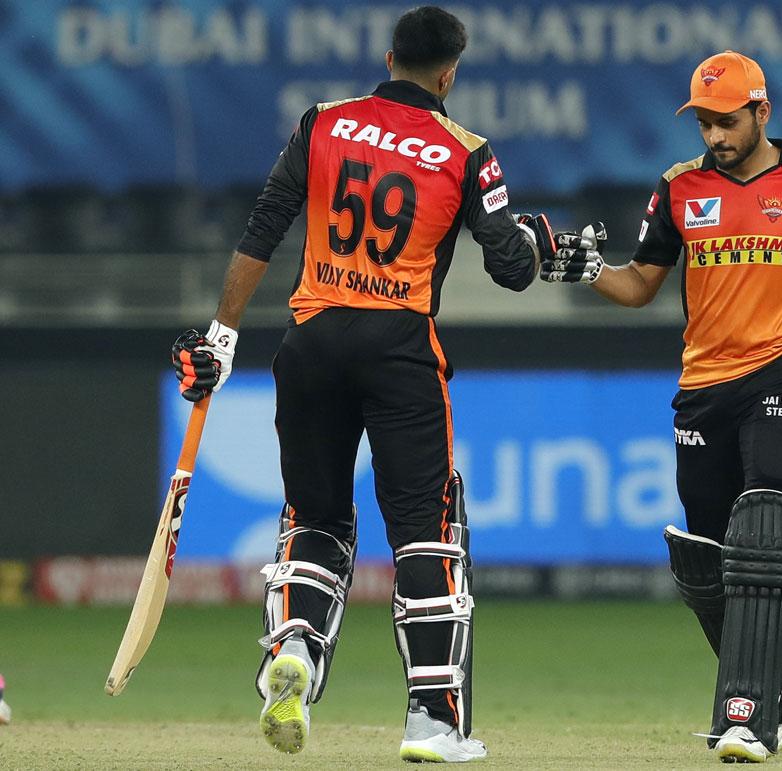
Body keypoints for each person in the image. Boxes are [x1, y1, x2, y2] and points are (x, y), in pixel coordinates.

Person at [170, 6, 554, 763]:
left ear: (387, 58)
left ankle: (299, 654)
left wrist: (220, 335)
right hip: (399, 346)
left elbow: (265, 223)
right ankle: (433, 722)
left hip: (309, 341)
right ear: (450, 74)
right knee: (425, 529)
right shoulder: (467, 149)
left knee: (315, 519)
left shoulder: (324, 121)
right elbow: (510, 268)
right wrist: (536, 241)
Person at [541, 50, 782, 762]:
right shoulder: (678, 189)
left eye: (727, 121)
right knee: (706, 561)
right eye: (705, 123)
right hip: (702, 388)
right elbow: (640, 286)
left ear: (761, 112)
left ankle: (746, 717)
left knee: (764, 527)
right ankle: (777, 676)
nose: (715, 136)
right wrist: (586, 267)